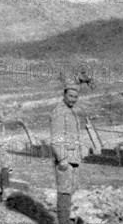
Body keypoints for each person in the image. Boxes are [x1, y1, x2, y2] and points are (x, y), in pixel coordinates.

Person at [50, 85, 83, 224]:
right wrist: (62, 158)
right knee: (64, 192)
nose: (73, 99)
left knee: (68, 191)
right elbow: (57, 137)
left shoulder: (70, 111)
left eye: (75, 97)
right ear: (64, 95)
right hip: (65, 159)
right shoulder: (60, 111)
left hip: (72, 158)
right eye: (70, 96)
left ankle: (65, 220)